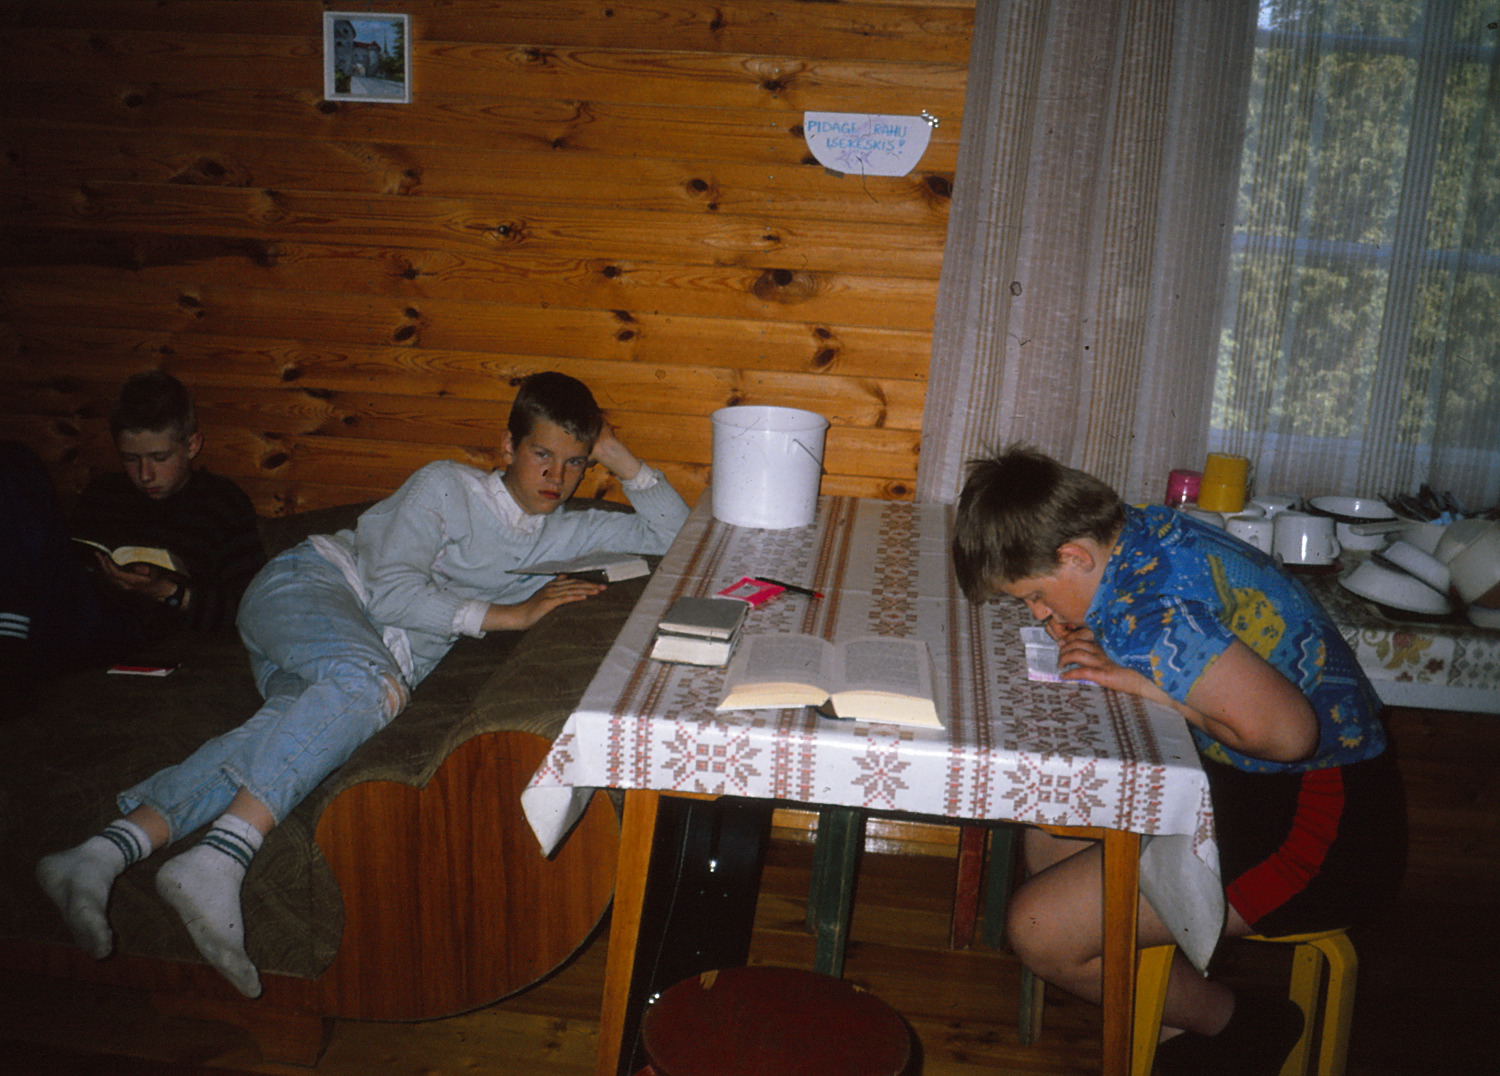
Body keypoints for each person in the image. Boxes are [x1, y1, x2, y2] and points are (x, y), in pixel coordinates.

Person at [36, 371, 689, 999]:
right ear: (507, 446)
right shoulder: (446, 486)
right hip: (310, 587)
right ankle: (220, 857)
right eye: (541, 454)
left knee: (292, 726)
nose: (556, 477)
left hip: (354, 658)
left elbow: (678, 535)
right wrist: (508, 615)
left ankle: (99, 854)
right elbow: (390, 592)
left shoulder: (570, 531)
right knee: (367, 684)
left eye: (574, 463)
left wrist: (614, 451)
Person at [951, 445, 1405, 1075]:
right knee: (1054, 829)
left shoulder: (1151, 614)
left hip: (1327, 829)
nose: (1039, 613)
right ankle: (1167, 1027)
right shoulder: (1140, 532)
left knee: (1037, 930)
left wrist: (1147, 685)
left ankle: (1240, 1023)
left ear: (1075, 555)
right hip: (1259, 781)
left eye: (1034, 595)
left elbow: (1290, 735)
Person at [1, 371, 265, 685]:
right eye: (130, 458)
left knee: (18, 463)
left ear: (192, 445)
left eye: (159, 457)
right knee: (12, 463)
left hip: (123, 626)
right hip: (68, 605)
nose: (145, 474)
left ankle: (10, 652)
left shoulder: (222, 503)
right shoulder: (104, 492)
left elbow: (253, 608)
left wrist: (166, 590)